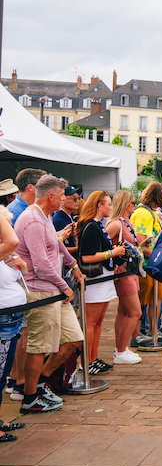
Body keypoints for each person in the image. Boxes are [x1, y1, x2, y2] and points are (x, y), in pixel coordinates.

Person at [15, 175, 85, 413]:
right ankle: (30, 397)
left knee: (74, 339)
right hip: (41, 292)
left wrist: (72, 265)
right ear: (52, 196)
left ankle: (41, 382)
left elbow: (56, 245)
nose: (66, 198)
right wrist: (64, 286)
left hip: (53, 291)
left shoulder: (44, 217)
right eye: (63, 194)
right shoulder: (33, 220)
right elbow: (41, 264)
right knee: (39, 346)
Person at [77, 191, 127, 375]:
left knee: (98, 322)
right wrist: (112, 253)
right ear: (99, 206)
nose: (111, 208)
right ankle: (86, 361)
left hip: (102, 277)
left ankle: (92, 358)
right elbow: (87, 256)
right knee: (91, 322)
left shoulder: (96, 225)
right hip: (95, 279)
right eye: (108, 204)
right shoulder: (91, 226)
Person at [105, 191, 144, 365]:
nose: (135, 206)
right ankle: (120, 351)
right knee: (135, 312)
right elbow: (103, 242)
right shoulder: (116, 224)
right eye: (133, 203)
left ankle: (120, 349)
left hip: (131, 270)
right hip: (122, 271)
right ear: (125, 204)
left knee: (123, 311)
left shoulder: (127, 222)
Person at [0, 205, 26, 440]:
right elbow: (13, 240)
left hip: (12, 317)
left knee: (3, 374)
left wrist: (21, 265)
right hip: (3, 320)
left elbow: (17, 276)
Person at [131, 182, 162, 344]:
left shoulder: (151, 213)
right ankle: (136, 335)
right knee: (142, 301)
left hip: (153, 265)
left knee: (156, 298)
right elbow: (140, 242)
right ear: (158, 195)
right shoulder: (144, 214)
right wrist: (157, 257)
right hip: (146, 265)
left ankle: (153, 331)